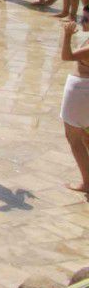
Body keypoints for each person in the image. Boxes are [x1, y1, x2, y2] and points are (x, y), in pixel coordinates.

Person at [60, 10, 89, 194]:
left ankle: (87, 183)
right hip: (83, 91)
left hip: (81, 92)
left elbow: (67, 56)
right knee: (85, 136)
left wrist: (67, 35)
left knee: (74, 138)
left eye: (85, 20)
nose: (82, 22)